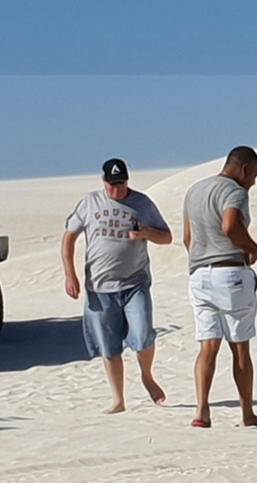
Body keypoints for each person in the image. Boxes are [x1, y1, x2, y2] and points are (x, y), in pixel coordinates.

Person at [62, 158, 173, 414]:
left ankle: (147, 374)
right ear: (103, 181)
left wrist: (145, 232)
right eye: (111, 185)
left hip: (135, 283)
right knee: (109, 346)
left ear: (127, 180)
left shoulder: (142, 204)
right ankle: (119, 400)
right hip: (100, 288)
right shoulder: (90, 203)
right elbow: (69, 237)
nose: (116, 190)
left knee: (144, 333)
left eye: (121, 184)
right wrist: (70, 274)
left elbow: (167, 237)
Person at [183, 146, 257, 428]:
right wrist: (252, 248)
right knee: (240, 347)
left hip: (199, 275)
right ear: (243, 169)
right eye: (254, 175)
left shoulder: (194, 191)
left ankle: (201, 411)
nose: (253, 182)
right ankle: (247, 413)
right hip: (230, 272)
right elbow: (230, 226)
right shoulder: (235, 191)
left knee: (207, 346)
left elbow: (188, 238)